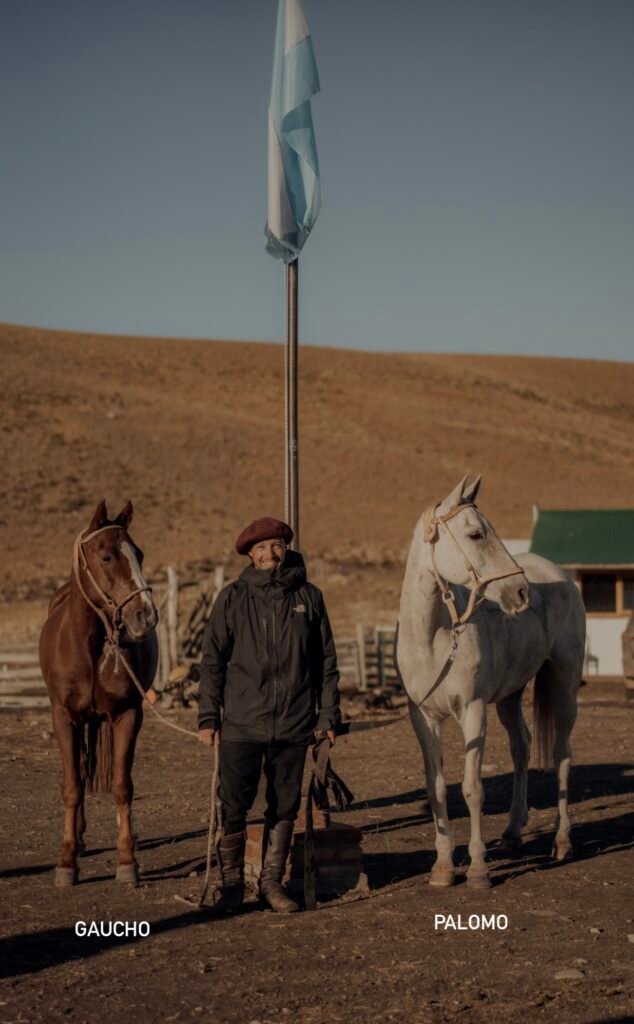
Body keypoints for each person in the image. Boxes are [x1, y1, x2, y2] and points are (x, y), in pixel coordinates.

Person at [198, 516, 341, 914]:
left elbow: (326, 661)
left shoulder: (309, 597)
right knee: (233, 805)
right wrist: (208, 717)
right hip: (242, 724)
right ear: (249, 554)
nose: (269, 554)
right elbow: (212, 662)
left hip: (294, 724)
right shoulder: (231, 598)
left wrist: (328, 716)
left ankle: (272, 884)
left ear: (286, 548)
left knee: (284, 806)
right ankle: (230, 886)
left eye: (276, 545)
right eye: (260, 548)